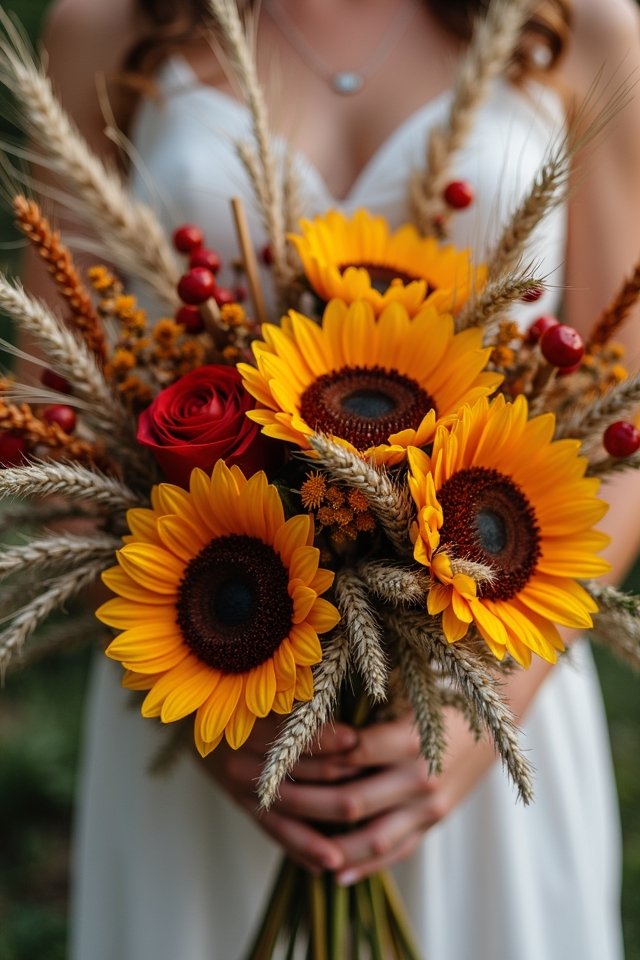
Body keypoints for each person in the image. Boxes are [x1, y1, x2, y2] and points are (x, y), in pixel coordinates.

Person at [22, 0, 640, 957]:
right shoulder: (106, 22)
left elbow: (628, 405)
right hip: (201, 702)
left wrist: (491, 715)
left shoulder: (583, 22)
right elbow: (48, 407)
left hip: (491, 685)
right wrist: (205, 704)